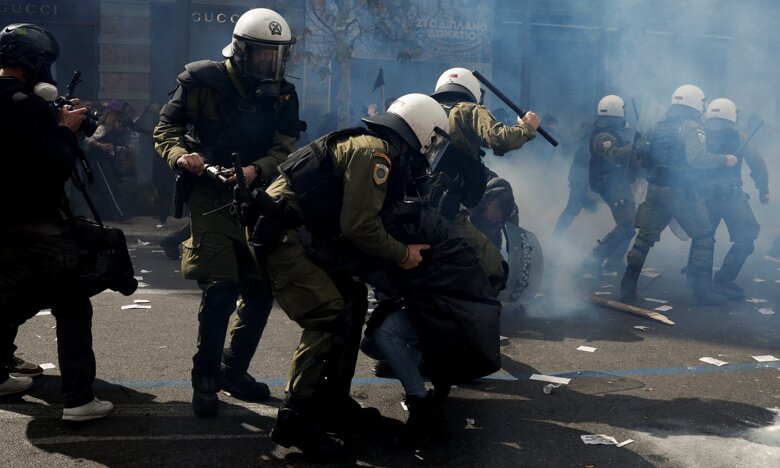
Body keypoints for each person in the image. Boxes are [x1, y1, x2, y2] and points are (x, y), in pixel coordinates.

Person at [255, 93, 451, 460]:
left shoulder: (376, 148)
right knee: (327, 314)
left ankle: (331, 402)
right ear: (420, 131)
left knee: (353, 299)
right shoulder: (374, 153)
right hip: (285, 235)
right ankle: (295, 419)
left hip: (302, 233)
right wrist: (402, 253)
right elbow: (359, 226)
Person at [153, 8, 302, 418]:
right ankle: (204, 381)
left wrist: (258, 170)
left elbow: (284, 146)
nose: (270, 65)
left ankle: (232, 371)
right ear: (240, 50)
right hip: (211, 194)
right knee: (221, 289)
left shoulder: (285, 93)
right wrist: (183, 157)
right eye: (262, 55)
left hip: (256, 195)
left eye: (278, 56)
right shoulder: (201, 81)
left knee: (259, 292)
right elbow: (165, 131)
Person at [0, 23, 113, 420]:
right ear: (33, 62)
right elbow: (55, 166)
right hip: (33, 224)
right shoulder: (27, 106)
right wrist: (65, 132)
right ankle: (80, 400)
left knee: (9, 299)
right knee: (72, 304)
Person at [620, 85, 737, 305]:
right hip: (681, 193)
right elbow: (697, 158)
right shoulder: (691, 126)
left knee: (644, 238)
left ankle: (627, 286)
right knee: (703, 235)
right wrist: (724, 160)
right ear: (694, 103)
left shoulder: (657, 125)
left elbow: (642, 155)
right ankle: (702, 291)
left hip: (656, 189)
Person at [428, 67, 539, 291]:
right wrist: (526, 127)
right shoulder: (468, 110)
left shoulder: (425, 110)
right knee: (495, 268)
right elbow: (500, 139)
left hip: (416, 202)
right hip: (448, 206)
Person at [700, 98, 768, 299]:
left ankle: (698, 280)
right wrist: (763, 189)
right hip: (731, 197)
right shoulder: (739, 137)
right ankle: (722, 281)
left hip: (703, 196)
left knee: (703, 239)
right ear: (732, 116)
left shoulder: (698, 135)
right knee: (747, 236)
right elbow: (758, 163)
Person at [581, 95, 644, 275]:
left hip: (618, 183)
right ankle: (593, 260)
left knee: (629, 224)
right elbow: (615, 154)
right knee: (626, 224)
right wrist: (635, 147)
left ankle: (614, 261)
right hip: (610, 185)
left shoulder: (610, 134)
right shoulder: (602, 137)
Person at [553, 121, 599, 235]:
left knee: (586, 209)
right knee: (573, 209)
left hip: (583, 183)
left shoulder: (589, 145)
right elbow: (585, 168)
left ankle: (561, 236)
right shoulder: (588, 147)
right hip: (581, 183)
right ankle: (556, 236)